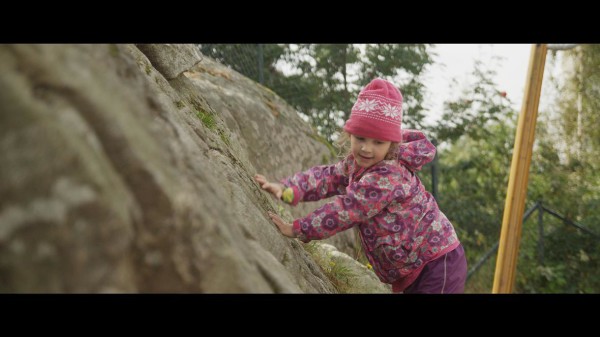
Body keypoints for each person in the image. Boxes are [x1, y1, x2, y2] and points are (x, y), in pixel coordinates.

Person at [254, 78, 467, 294]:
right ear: (349, 134)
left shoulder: (387, 175)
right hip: (415, 266)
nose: (366, 148)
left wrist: (299, 229)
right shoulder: (356, 164)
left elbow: (347, 211)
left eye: (378, 142)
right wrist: (288, 189)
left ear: (391, 144)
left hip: (437, 263)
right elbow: (328, 178)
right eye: (360, 138)